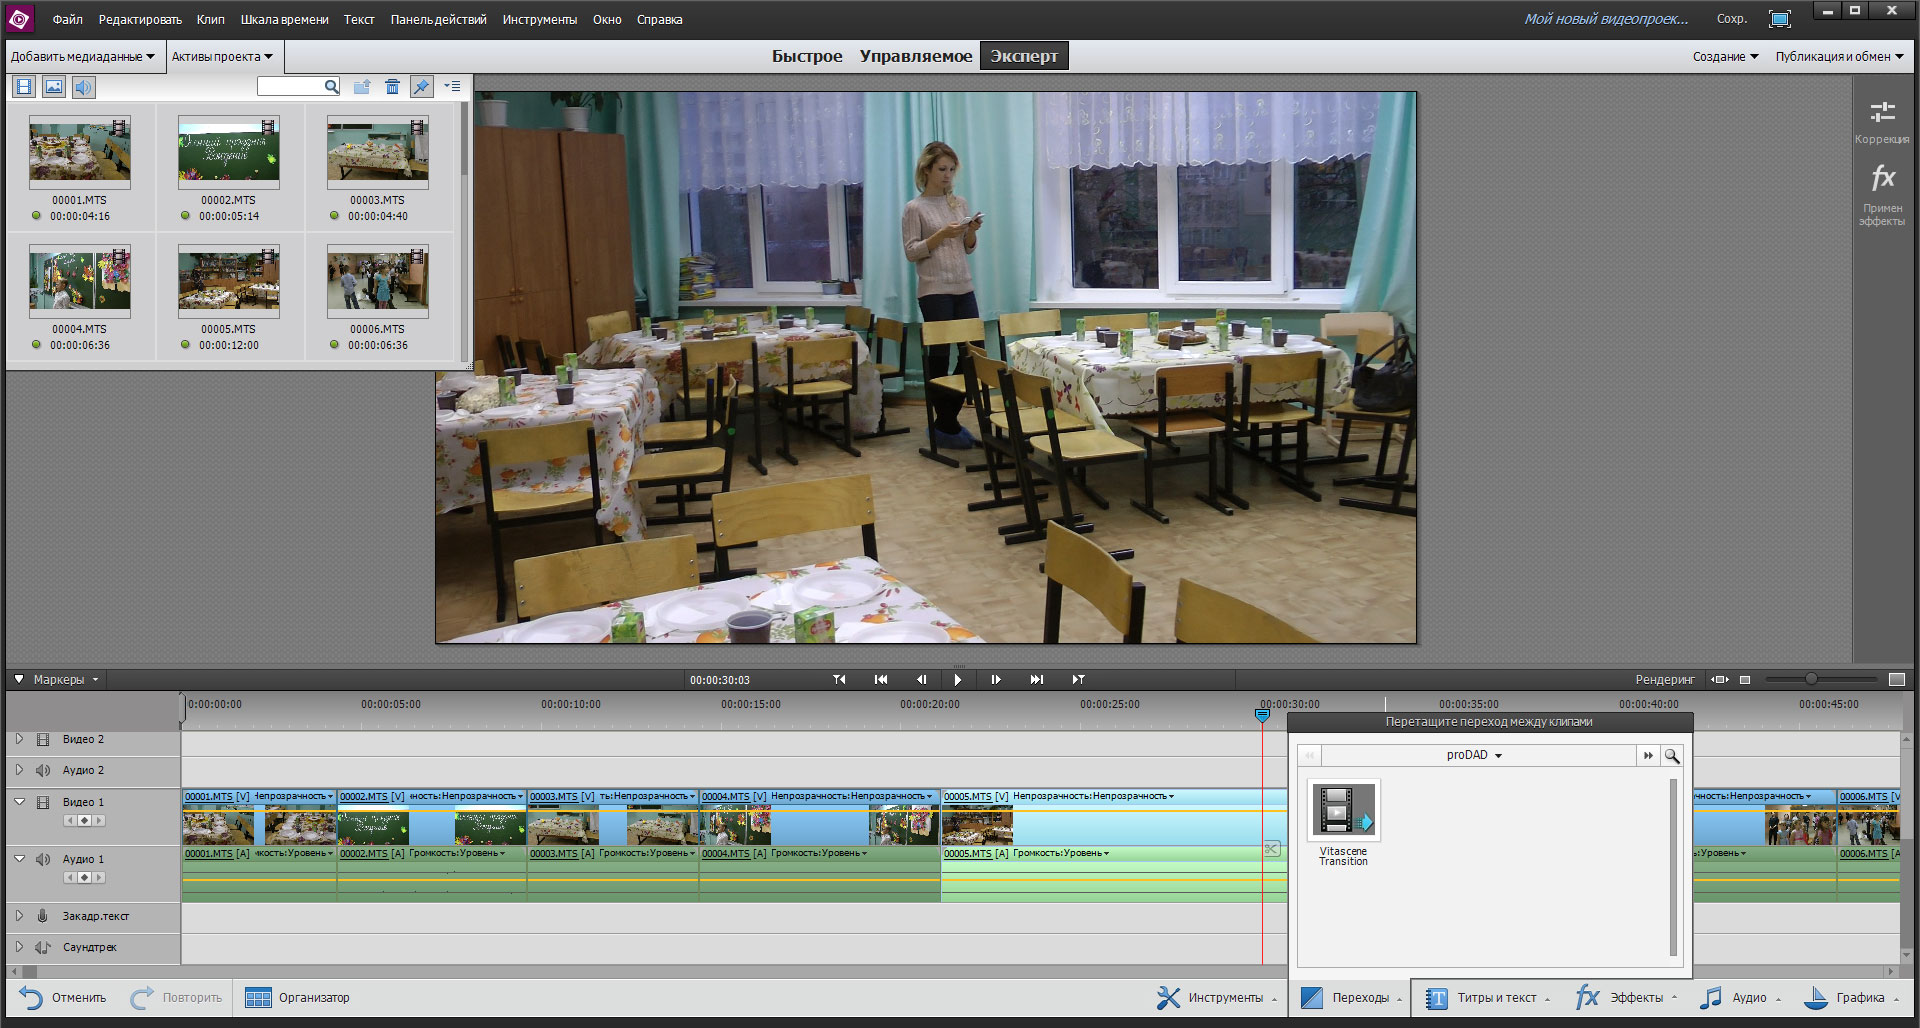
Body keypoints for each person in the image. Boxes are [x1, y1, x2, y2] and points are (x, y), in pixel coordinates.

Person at [901, 140, 986, 449]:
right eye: (942, 169)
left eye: (951, 169)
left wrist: (971, 230)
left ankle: (944, 422)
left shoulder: (959, 203)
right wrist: (940, 235)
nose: (948, 175)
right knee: (940, 356)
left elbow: (967, 248)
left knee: (974, 353)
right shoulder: (914, 208)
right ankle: (947, 425)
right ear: (926, 170)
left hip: (964, 286)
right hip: (934, 290)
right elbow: (912, 252)